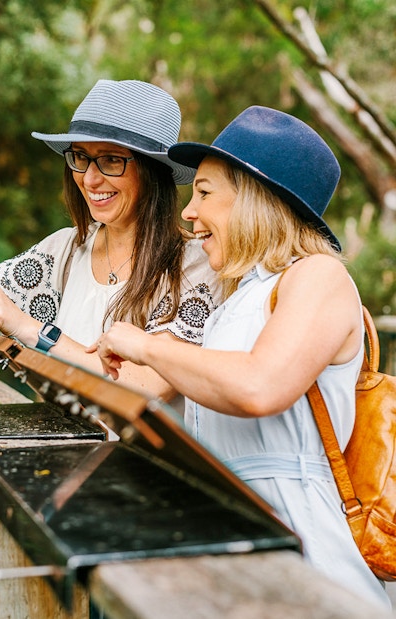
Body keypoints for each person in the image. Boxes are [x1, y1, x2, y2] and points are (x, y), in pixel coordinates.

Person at [92, 105, 391, 610]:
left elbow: (259, 387)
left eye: (205, 193)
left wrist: (150, 346)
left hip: (304, 550)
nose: (188, 212)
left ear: (257, 198)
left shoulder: (317, 276)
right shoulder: (236, 303)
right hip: (234, 543)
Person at [0, 79, 221, 402]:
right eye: (80, 157)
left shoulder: (196, 266)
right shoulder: (66, 250)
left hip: (134, 454)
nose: (90, 178)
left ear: (152, 172)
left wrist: (33, 331)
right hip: (58, 450)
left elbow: (144, 387)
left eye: (111, 160)